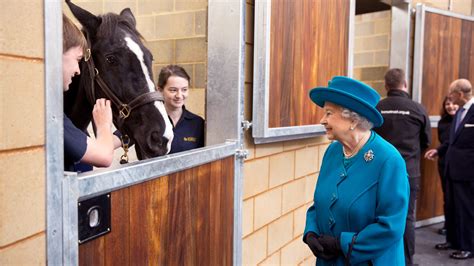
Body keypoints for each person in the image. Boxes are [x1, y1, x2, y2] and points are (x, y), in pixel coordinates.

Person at [303, 76, 409, 265]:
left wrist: (341, 244)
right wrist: (311, 233)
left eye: (328, 113)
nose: (322, 120)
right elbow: (319, 203)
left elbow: (391, 226)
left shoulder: (389, 160)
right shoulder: (333, 151)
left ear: (352, 119)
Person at [374, 68, 431, 266]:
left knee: (380, 217)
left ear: (386, 86)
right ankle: (406, 261)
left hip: (379, 173)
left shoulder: (377, 108)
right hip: (409, 172)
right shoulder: (418, 109)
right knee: (406, 218)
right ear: (404, 84)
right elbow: (426, 141)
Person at [63, 14, 121, 172]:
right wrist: (103, 125)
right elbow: (103, 156)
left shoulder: (72, 128)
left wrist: (124, 134)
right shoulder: (54, 118)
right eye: (77, 59)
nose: (77, 70)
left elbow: (97, 146)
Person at [425, 79, 474, 260]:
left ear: (460, 95)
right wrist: (438, 150)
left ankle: (468, 246)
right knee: (452, 207)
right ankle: (452, 241)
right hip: (451, 169)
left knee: (466, 210)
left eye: (451, 94)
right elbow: (452, 141)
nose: (450, 97)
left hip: (468, 172)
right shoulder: (460, 112)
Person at [425, 96, 459, 236]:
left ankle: (459, 228)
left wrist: (438, 150)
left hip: (460, 165)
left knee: (460, 198)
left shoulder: (464, 121)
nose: (450, 106)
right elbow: (446, 142)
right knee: (447, 196)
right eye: (447, 104)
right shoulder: (442, 122)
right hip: (445, 163)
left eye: (454, 103)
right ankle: (448, 225)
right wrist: (438, 151)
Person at [157, 65, 205, 154]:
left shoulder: (198, 123)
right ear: (160, 90)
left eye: (184, 90)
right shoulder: (150, 122)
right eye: (173, 90)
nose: (179, 95)